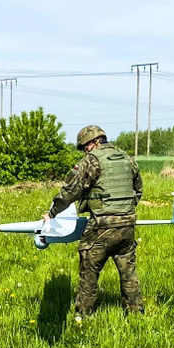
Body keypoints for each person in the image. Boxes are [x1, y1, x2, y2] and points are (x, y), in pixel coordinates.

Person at [43, 125, 144, 317]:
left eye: (83, 148)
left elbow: (71, 191)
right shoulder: (127, 158)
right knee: (128, 273)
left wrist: (52, 213)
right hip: (127, 225)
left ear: (92, 143)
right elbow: (138, 190)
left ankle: (83, 316)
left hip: (101, 227)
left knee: (89, 272)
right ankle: (136, 314)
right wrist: (124, 211)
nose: (84, 152)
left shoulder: (92, 161)